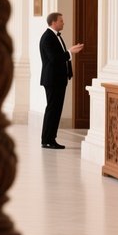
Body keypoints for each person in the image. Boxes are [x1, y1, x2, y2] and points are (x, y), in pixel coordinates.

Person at [40, 12, 83, 149]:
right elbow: (54, 59)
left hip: (58, 79)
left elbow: (59, 57)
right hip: (52, 80)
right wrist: (71, 52)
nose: (63, 23)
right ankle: (47, 140)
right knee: (53, 109)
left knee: (55, 110)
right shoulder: (47, 38)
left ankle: (50, 139)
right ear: (53, 22)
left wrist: (68, 71)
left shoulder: (55, 36)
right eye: (61, 21)